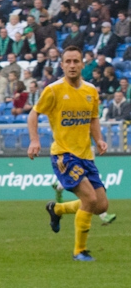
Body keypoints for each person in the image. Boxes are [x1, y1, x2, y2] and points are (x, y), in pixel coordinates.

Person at [28, 46, 109, 262]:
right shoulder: (53, 90)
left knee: (101, 205)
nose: (72, 65)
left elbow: (93, 118)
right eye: (68, 62)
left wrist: (99, 139)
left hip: (86, 155)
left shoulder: (91, 90)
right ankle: (79, 251)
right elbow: (33, 115)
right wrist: (35, 140)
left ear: (82, 64)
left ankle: (57, 209)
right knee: (89, 198)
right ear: (62, 65)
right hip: (64, 155)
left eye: (76, 61)